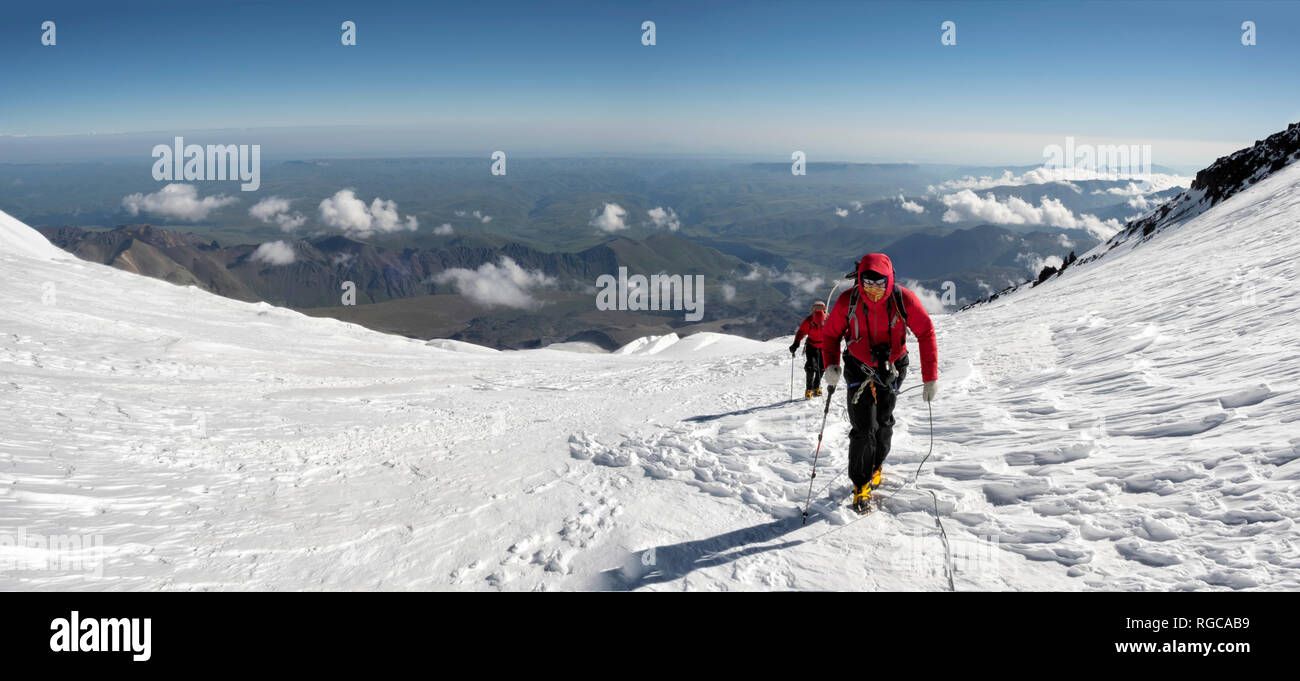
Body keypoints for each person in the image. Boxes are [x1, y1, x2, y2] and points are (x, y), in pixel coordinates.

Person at [821, 253, 939, 513]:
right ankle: (861, 484)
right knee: (864, 427)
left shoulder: (902, 299)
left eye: (879, 284)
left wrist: (930, 377)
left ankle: (875, 466)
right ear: (859, 281)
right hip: (857, 368)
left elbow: (925, 332)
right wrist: (831, 365)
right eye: (868, 284)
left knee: (883, 422)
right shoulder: (847, 301)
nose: (873, 290)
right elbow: (830, 335)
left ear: (889, 280)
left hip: (893, 369)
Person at [789, 301, 827, 400]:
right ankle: (813, 388)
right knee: (816, 367)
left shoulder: (810, 320)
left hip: (814, 345)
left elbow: (801, 332)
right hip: (817, 346)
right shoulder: (827, 320)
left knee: (819, 368)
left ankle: (812, 388)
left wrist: (796, 343)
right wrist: (796, 343)